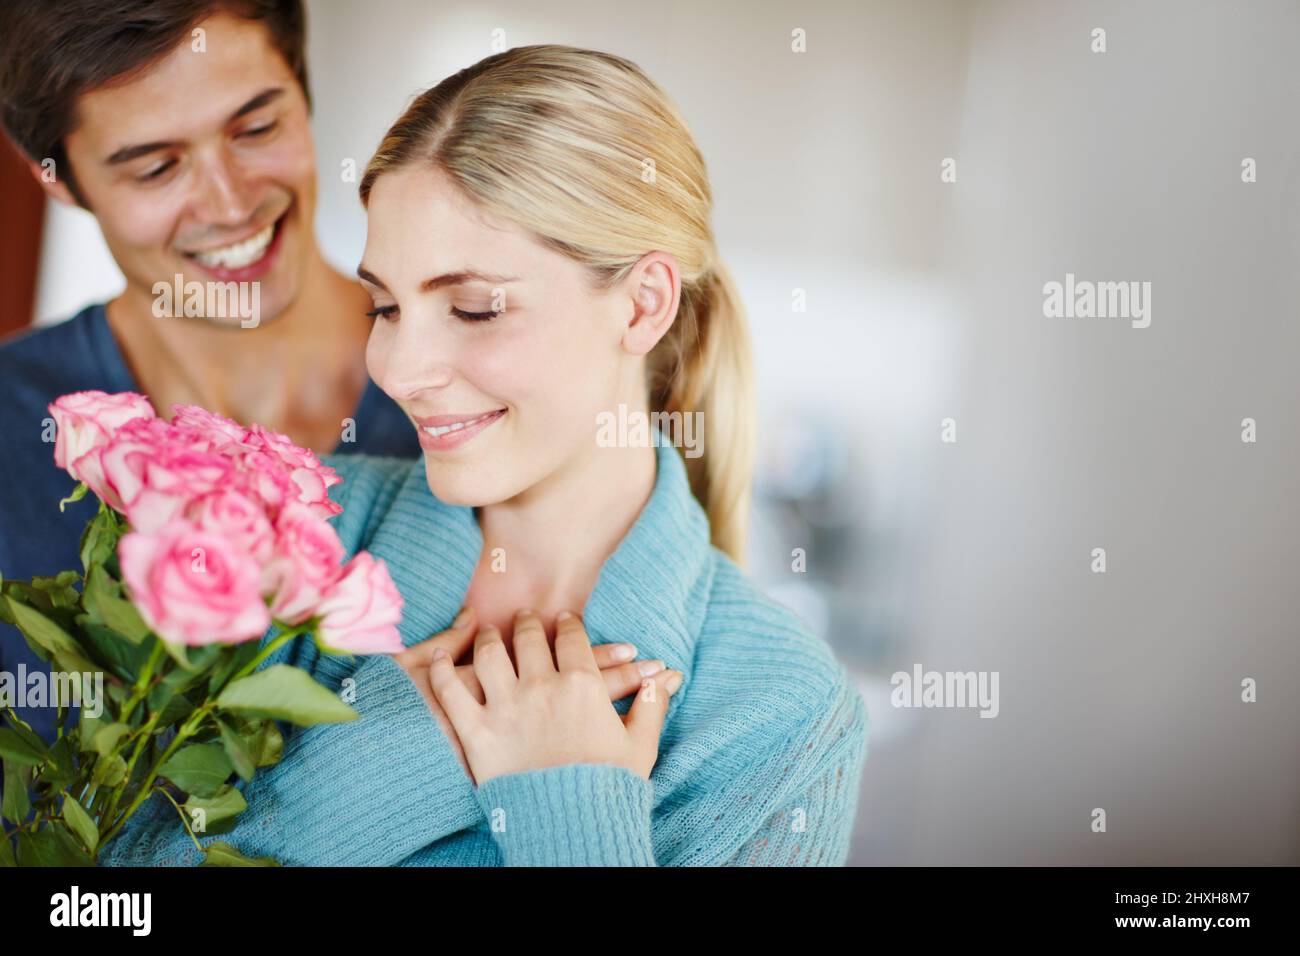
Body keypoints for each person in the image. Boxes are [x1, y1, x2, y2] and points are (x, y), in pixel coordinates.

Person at [101, 45, 869, 866]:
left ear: (643, 305)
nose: (397, 370)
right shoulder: (280, 536)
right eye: (386, 305)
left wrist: (571, 814)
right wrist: (376, 762)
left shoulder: (785, 715)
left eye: (472, 309)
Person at [0, 1, 419, 745]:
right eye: (157, 167)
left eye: (256, 128)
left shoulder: (482, 389)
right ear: (59, 180)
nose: (231, 204)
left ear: (303, 84)